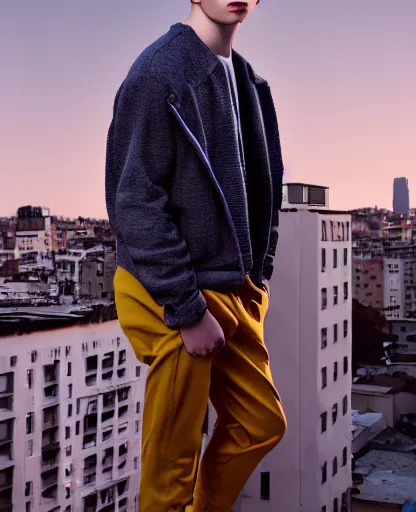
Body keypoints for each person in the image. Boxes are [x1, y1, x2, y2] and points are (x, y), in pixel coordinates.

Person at [105, 1, 286, 510]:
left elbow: (261, 187)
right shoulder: (157, 74)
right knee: (170, 472)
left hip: (231, 289)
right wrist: (185, 309)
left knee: (260, 424)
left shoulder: (246, 79)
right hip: (175, 294)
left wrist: (259, 276)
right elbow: (135, 202)